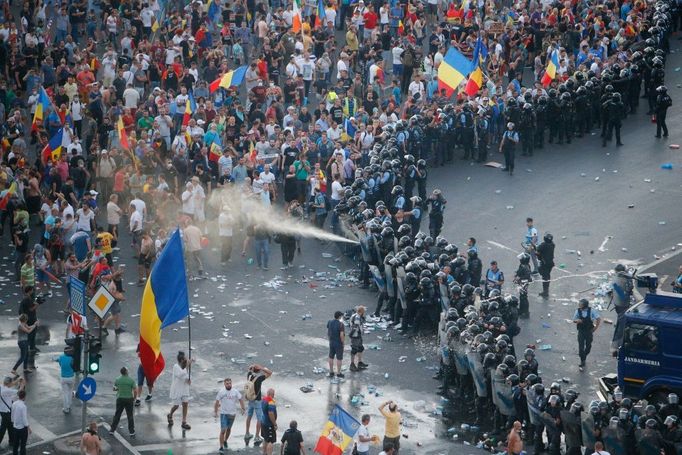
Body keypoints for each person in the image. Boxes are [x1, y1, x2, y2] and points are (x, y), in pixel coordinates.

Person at [214, 378, 245, 454]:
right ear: (224, 384)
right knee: (223, 430)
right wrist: (215, 412)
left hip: (232, 414)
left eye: (230, 383)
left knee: (229, 429)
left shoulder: (235, 391)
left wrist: (243, 408)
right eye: (227, 383)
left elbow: (240, 399)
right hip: (224, 413)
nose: (229, 385)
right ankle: (221, 446)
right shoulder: (221, 392)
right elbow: (217, 401)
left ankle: (225, 440)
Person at [244, 364, 273, 446]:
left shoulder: (249, 375)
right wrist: (262, 368)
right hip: (257, 400)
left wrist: (252, 367)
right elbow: (270, 373)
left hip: (250, 399)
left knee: (249, 416)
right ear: (259, 370)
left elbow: (249, 369)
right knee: (259, 419)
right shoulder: (259, 378)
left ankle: (247, 433)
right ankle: (256, 436)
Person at [573, 298, 601, 370]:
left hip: (589, 331)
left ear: (584, 305)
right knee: (581, 346)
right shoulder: (578, 311)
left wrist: (595, 328)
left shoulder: (591, 311)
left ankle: (584, 355)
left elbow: (598, 318)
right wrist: (577, 321)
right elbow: (574, 320)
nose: (579, 305)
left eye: (581, 304)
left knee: (588, 346)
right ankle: (582, 360)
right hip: (581, 331)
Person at [168, 351, 192, 430]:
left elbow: (187, 376)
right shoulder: (176, 367)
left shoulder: (185, 366)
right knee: (176, 406)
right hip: (177, 389)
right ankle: (170, 414)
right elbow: (180, 375)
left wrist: (189, 380)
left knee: (185, 404)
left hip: (184, 388)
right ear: (181, 361)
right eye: (184, 360)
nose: (185, 361)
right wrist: (187, 366)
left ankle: (184, 422)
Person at [110, 367, 136, 438]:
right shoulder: (131, 380)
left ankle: (112, 430)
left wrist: (120, 388)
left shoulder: (118, 379)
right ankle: (131, 432)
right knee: (130, 416)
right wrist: (134, 398)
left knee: (117, 414)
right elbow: (135, 390)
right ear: (126, 372)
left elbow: (114, 388)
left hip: (120, 399)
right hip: (129, 399)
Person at [0, 376, 24, 448]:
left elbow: (11, 384)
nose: (12, 385)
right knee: (3, 429)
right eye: (11, 383)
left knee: (10, 426)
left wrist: (17, 380)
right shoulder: (7, 391)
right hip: (6, 412)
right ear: (9, 383)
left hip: (3, 410)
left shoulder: (1, 386)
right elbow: (20, 392)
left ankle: (12, 441)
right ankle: (12, 441)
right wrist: (22, 385)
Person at [55, 347, 76, 413]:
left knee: (65, 393)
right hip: (71, 377)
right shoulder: (72, 358)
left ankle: (66, 408)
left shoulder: (61, 357)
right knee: (70, 391)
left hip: (63, 378)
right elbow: (73, 366)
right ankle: (69, 405)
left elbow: (60, 364)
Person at [326, 311, 345, 378]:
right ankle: (338, 373)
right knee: (339, 358)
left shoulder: (329, 322)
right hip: (338, 343)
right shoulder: (341, 324)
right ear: (339, 316)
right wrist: (343, 343)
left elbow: (328, 331)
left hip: (332, 342)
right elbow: (341, 335)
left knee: (331, 357)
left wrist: (330, 339)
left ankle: (331, 372)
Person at [349, 306, 368, 372]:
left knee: (360, 348)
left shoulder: (355, 315)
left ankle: (359, 362)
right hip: (356, 336)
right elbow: (355, 327)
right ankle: (352, 364)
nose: (364, 313)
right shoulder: (357, 317)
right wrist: (351, 335)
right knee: (354, 350)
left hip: (358, 335)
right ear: (361, 312)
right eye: (363, 312)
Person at [536, 233, 555, 298]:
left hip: (545, 264)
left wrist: (538, 254)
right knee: (547, 276)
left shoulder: (543, 245)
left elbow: (538, 251)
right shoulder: (552, 244)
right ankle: (546, 291)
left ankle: (545, 292)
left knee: (545, 277)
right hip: (550, 263)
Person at [11, 390, 29, 455]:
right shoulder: (23, 406)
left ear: (18, 396)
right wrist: (28, 427)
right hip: (22, 429)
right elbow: (24, 419)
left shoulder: (14, 403)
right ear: (24, 397)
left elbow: (12, 415)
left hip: (15, 427)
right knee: (23, 445)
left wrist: (13, 422)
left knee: (15, 444)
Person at [260, 388, 277, 455]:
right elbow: (271, 413)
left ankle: (264, 453)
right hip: (269, 424)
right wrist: (274, 424)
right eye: (273, 394)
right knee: (270, 441)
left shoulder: (264, 399)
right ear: (272, 394)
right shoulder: (271, 402)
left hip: (263, 422)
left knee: (265, 439)